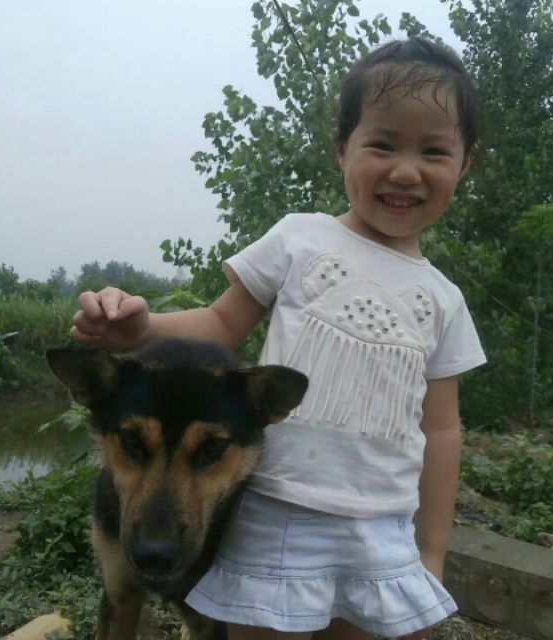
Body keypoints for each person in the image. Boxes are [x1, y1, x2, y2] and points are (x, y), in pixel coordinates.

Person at [71, 38, 486, 640]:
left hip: (381, 525)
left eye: (434, 151)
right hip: (276, 515)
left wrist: (431, 551)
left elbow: (441, 429)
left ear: (465, 163)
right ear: (341, 149)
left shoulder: (445, 299)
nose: (405, 170)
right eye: (382, 144)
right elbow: (220, 324)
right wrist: (144, 329)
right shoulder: (299, 239)